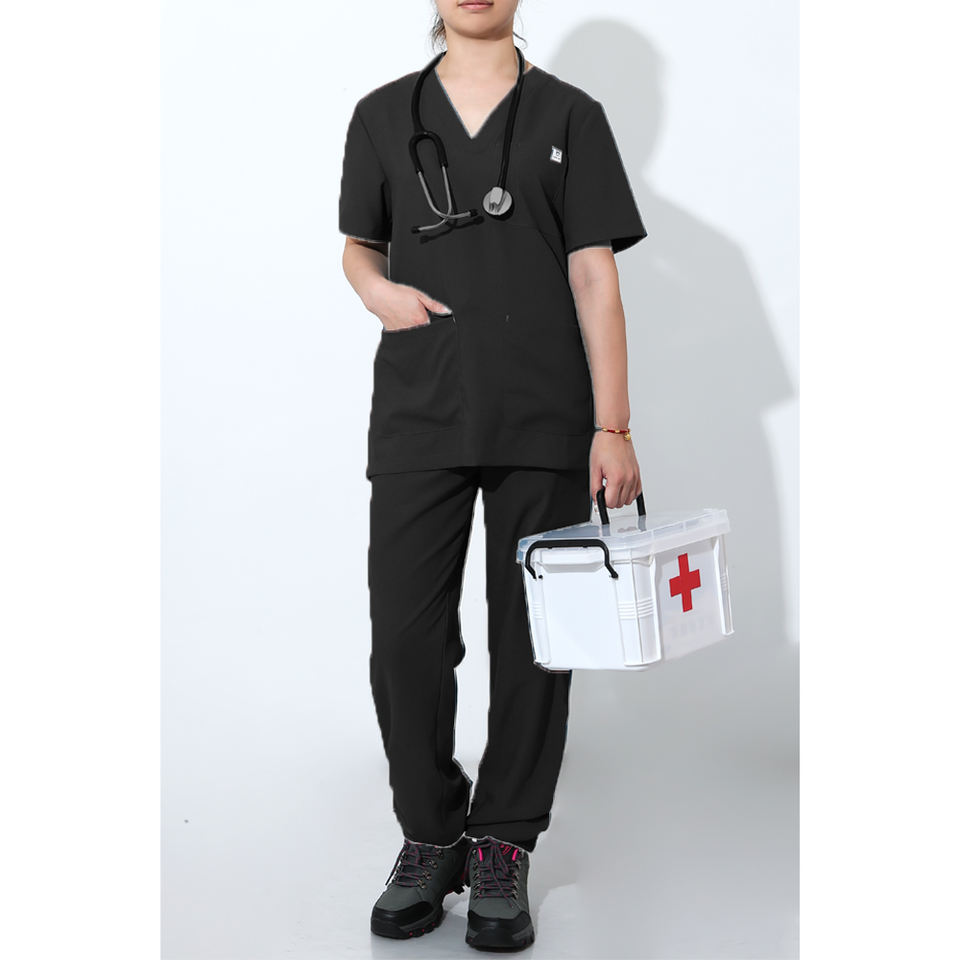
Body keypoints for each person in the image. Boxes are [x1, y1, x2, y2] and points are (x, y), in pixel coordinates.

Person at [338, 1, 646, 950]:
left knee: (532, 642)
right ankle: (432, 833)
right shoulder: (382, 115)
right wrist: (379, 293)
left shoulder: (571, 117)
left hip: (544, 413)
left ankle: (504, 840)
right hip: (423, 407)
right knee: (406, 640)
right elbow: (360, 246)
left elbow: (593, 275)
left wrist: (613, 425)